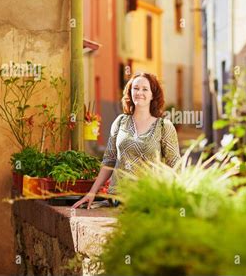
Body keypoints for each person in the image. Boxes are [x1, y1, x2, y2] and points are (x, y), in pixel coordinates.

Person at [72, 72, 181, 209]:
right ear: (130, 92)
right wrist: (92, 192)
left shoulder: (164, 126)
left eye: (145, 89)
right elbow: (109, 160)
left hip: (149, 199)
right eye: (135, 88)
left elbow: (175, 166)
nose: (139, 92)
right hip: (118, 198)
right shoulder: (120, 122)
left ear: (153, 95)